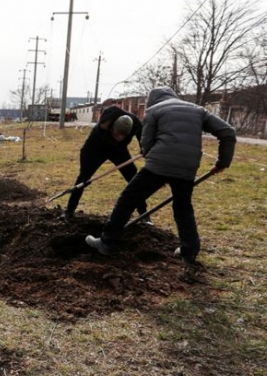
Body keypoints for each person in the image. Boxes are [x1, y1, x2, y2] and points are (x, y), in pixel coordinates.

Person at [86, 87, 236, 265]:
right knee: (183, 207)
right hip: (188, 166)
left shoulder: (154, 110)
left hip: (159, 163)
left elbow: (146, 143)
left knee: (128, 199)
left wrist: (150, 155)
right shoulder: (198, 110)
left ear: (151, 101)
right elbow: (228, 132)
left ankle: (106, 243)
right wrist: (223, 162)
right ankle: (189, 251)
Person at [61, 105, 148, 221]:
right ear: (112, 127)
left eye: (123, 136)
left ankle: (144, 215)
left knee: (133, 179)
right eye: (117, 134)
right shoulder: (104, 123)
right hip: (97, 149)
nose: (119, 138)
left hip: (119, 151)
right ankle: (69, 211)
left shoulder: (135, 124)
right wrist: (85, 170)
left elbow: (143, 137)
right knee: (83, 179)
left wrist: (144, 148)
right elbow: (86, 151)